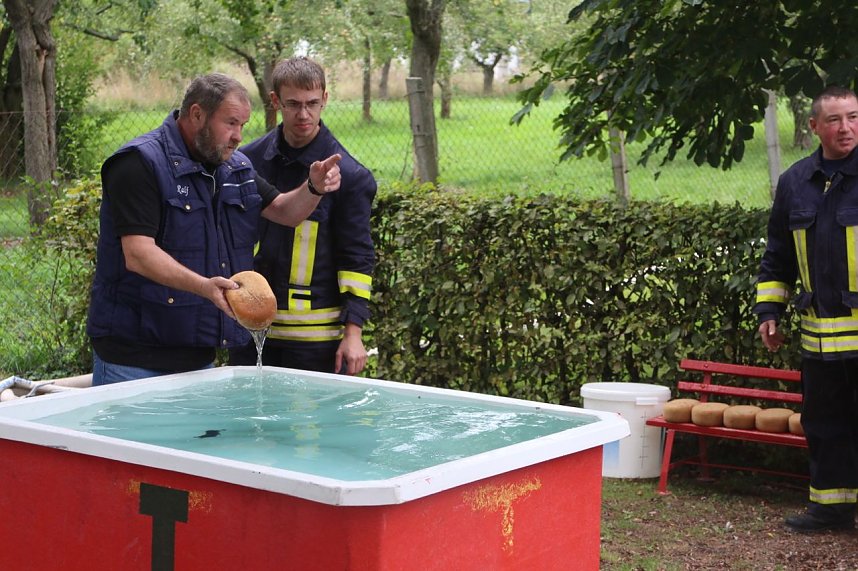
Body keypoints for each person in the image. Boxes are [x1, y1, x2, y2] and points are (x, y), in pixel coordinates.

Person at [86, 72, 342, 385]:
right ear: (197, 114)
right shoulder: (138, 164)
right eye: (230, 123)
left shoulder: (236, 168)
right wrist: (205, 287)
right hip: (133, 358)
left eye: (243, 126)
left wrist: (313, 188)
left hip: (199, 356)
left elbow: (285, 211)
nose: (238, 136)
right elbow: (138, 254)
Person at [228, 56, 376, 375]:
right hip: (246, 328)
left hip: (314, 340)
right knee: (245, 424)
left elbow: (357, 259)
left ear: (325, 99)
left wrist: (353, 334)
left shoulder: (350, 175)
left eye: (312, 103)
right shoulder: (245, 162)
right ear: (275, 101)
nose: (303, 114)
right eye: (293, 104)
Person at [755, 85, 858, 532]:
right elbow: (777, 253)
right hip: (820, 340)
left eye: (853, 117)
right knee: (824, 424)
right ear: (814, 127)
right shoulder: (795, 182)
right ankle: (830, 509)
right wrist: (769, 311)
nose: (846, 128)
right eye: (834, 120)